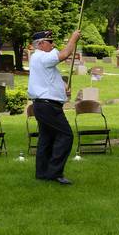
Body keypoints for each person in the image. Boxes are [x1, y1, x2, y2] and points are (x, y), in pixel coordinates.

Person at [27, 29, 80, 185]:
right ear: (41, 44)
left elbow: (50, 76)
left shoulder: (40, 58)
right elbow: (64, 54)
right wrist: (73, 39)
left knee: (46, 138)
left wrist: (62, 87)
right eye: (50, 42)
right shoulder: (42, 56)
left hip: (44, 105)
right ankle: (55, 172)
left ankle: (42, 172)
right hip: (48, 106)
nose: (53, 44)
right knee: (66, 136)